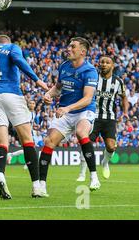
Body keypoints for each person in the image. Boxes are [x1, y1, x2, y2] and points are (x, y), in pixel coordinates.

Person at [0, 35, 49, 199]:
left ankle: (0, 176)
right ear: (7, 41)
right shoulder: (12, 48)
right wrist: (37, 80)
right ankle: (36, 187)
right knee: (27, 140)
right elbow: (19, 61)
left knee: (2, 143)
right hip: (11, 93)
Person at [40, 37, 101, 197]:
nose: (68, 48)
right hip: (66, 112)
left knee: (81, 133)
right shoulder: (64, 66)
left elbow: (87, 98)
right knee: (49, 141)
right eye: (68, 45)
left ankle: (94, 176)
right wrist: (49, 94)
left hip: (83, 110)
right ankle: (41, 185)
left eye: (72, 46)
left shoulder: (90, 71)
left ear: (82, 51)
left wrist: (67, 108)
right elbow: (58, 88)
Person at [77, 55, 128, 181]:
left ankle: (105, 163)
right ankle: (82, 173)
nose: (104, 64)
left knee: (111, 147)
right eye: (102, 62)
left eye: (107, 62)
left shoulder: (118, 82)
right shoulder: (93, 79)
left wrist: (125, 112)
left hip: (109, 118)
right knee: (86, 143)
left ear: (112, 66)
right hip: (92, 116)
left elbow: (124, 97)